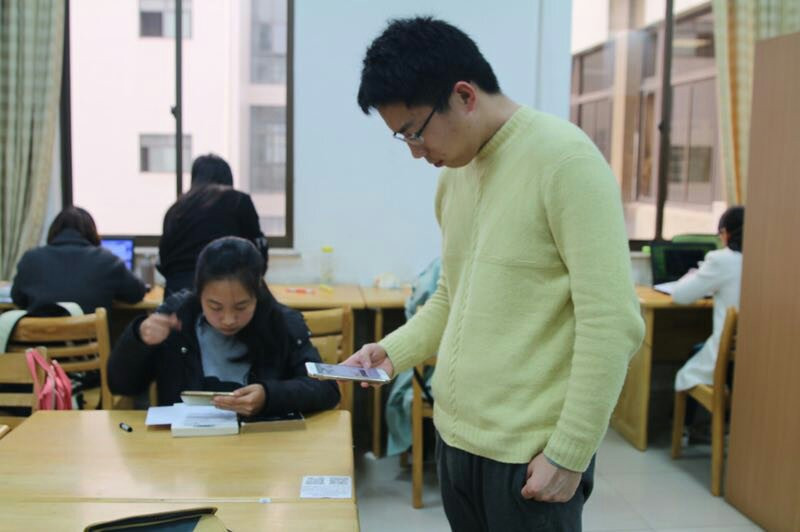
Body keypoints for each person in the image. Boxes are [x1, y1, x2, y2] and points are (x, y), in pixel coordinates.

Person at [345, 17, 644, 531]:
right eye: (403, 139)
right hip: (458, 443)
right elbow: (449, 298)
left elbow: (613, 322)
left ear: (464, 95)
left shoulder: (565, 160)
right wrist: (390, 352)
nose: (417, 153)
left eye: (415, 132)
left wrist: (570, 452)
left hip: (530, 454)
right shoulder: (455, 177)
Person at [108, 236, 339, 417]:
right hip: (185, 453)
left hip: (261, 449)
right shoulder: (176, 319)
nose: (228, 319)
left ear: (257, 293)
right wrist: (138, 340)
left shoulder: (282, 323)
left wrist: (269, 396)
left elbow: (326, 390)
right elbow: (120, 385)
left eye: (241, 307)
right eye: (215, 307)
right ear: (199, 294)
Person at [158, 154, 268, 297]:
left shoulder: (176, 209)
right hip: (226, 294)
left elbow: (163, 260)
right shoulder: (238, 201)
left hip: (178, 295)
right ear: (228, 177)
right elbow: (258, 251)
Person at [11, 206, 146, 314]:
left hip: (40, 346)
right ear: (92, 233)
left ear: (53, 231)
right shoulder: (108, 261)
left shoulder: (31, 259)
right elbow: (136, 294)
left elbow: (17, 298)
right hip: (90, 345)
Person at [673, 206, 744, 392]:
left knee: (689, 366)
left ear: (726, 233)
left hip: (726, 354)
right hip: (755, 353)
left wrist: (693, 275)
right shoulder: (768, 259)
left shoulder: (722, 260)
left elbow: (680, 295)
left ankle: (684, 421)